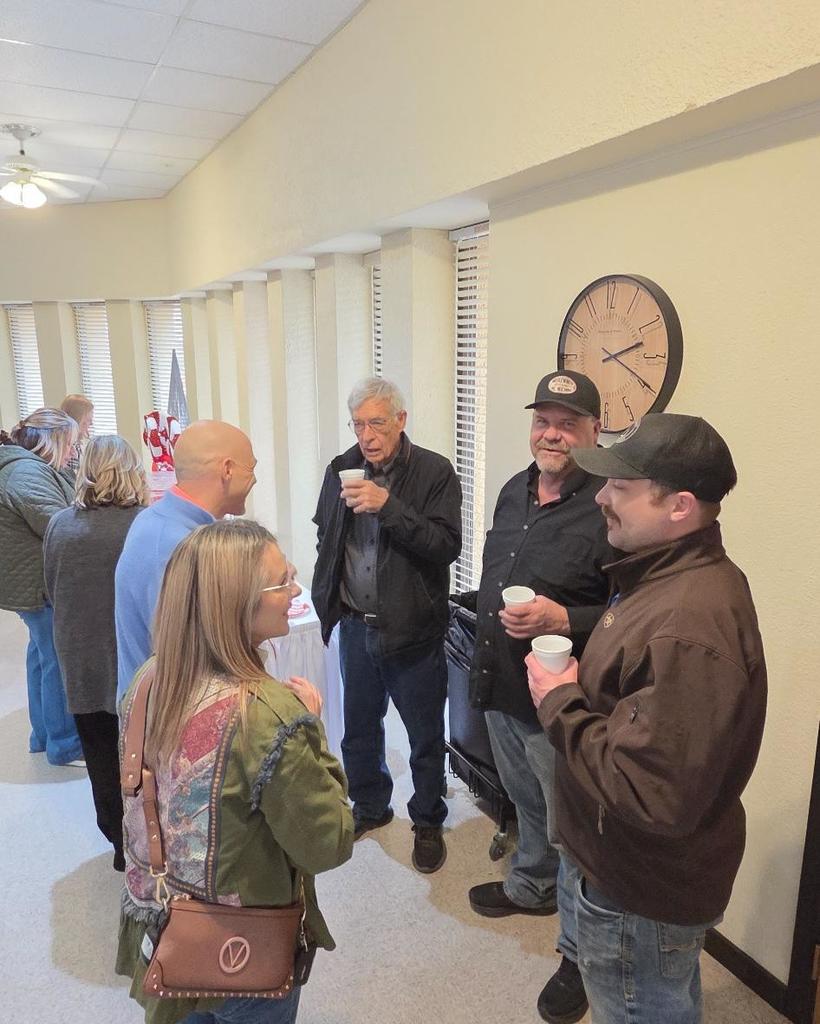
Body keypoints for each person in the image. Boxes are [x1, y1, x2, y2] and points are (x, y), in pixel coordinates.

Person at [527, 413, 767, 1024]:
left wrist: (558, 700)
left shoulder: (687, 622)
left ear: (680, 506)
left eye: (620, 488)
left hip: (637, 886)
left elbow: (650, 791)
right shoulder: (662, 579)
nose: (601, 497)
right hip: (625, 868)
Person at [116, 519, 354, 1024]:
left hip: (164, 925)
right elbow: (327, 844)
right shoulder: (269, 713)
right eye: (282, 581)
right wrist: (315, 731)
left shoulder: (149, 679)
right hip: (241, 946)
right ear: (236, 606)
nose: (295, 589)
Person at [464, 371, 611, 932]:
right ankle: (531, 885)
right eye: (542, 422)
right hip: (500, 680)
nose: (551, 435)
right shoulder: (513, 489)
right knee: (526, 800)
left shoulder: (608, 505)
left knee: (571, 827)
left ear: (595, 431)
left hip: (561, 700)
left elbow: (632, 615)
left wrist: (564, 618)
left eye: (567, 425)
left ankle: (577, 950)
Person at [312, 377, 461, 873]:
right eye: (358, 424)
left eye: (377, 422)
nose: (367, 435)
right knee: (358, 730)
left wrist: (388, 506)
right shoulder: (340, 469)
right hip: (356, 625)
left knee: (422, 735)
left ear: (401, 419)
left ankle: (427, 818)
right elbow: (326, 538)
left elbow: (445, 546)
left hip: (413, 629)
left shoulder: (435, 472)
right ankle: (372, 806)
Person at [44, 435, 148, 870]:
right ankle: (152, 841)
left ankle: (120, 842)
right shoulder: (147, 524)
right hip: (137, 660)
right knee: (145, 754)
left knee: (101, 755)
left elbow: (49, 591)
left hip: (81, 657)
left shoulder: (59, 525)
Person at [115, 420, 258, 700]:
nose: (254, 480)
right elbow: (193, 653)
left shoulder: (158, 519)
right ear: (227, 470)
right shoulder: (177, 544)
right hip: (169, 719)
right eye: (251, 469)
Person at [0, 408, 84, 766]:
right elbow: (60, 523)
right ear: (53, 442)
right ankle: (63, 743)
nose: (73, 452)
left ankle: (44, 734)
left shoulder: (29, 467)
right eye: (71, 445)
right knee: (57, 660)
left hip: (30, 582)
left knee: (40, 655)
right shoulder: (26, 473)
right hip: (38, 583)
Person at [60, 394, 94, 476]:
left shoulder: (81, 443)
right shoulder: (67, 448)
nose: (91, 423)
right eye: (88, 420)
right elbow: (73, 477)